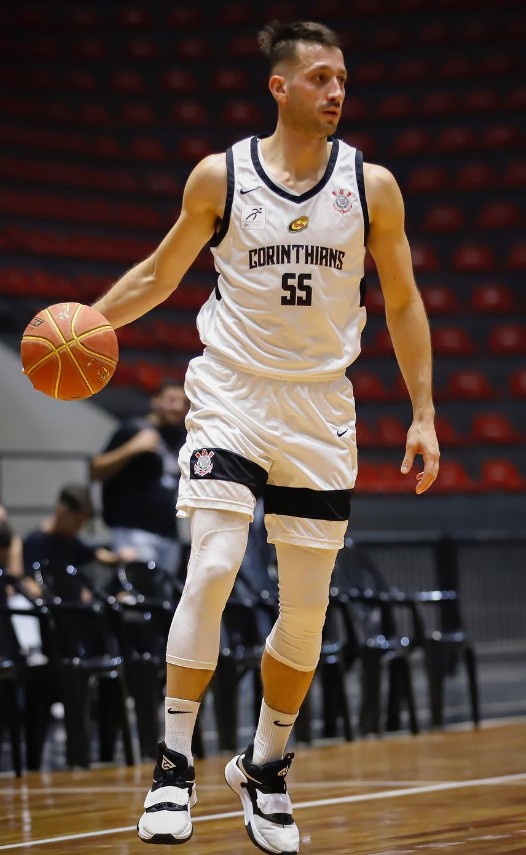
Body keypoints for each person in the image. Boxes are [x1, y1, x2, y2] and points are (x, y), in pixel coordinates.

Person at [92, 20, 440, 853]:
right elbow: (160, 273)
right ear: (279, 86)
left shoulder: (373, 187)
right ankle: (173, 766)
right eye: (320, 77)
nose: (336, 91)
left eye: (342, 78)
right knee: (213, 565)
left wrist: (424, 411)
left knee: (306, 612)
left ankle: (264, 766)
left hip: (320, 407)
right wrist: (85, 323)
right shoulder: (222, 176)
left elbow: (402, 301)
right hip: (232, 394)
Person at [90, 380, 188, 578]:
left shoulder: (181, 438)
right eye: (171, 400)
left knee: (164, 593)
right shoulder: (133, 429)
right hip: (133, 530)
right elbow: (96, 469)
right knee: (138, 590)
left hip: (168, 532)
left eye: (184, 403)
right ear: (155, 400)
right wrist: (132, 448)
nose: (178, 407)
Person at [23, 483, 132, 598]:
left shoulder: (72, 542)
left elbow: (97, 555)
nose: (78, 528)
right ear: (61, 512)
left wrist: (118, 557)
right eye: (77, 522)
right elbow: (28, 579)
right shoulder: (36, 542)